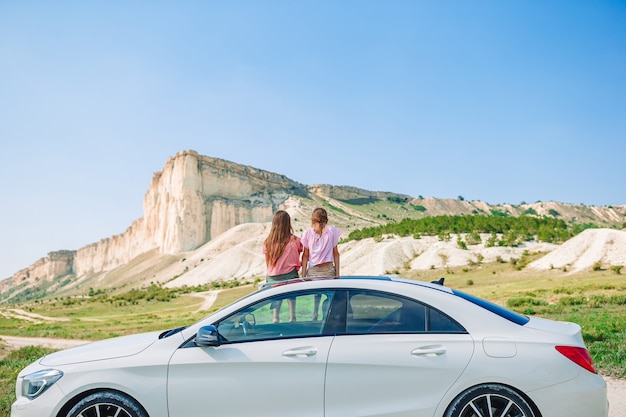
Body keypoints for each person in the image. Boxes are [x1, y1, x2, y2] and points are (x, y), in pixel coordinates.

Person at [301, 207, 341, 320]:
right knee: (329, 297)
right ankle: (327, 319)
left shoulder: (307, 233)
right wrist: (338, 273)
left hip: (313, 270)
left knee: (316, 297)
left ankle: (315, 316)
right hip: (328, 269)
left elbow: (305, 256)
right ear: (326, 221)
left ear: (312, 221)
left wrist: (303, 274)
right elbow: (336, 253)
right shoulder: (332, 231)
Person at [263, 210, 303, 322]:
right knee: (292, 299)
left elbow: (268, 263)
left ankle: (275, 318)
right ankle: (292, 317)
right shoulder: (295, 240)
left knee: (276, 305)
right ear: (288, 224)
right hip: (290, 275)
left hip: (273, 277)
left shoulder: (268, 242)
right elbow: (301, 251)